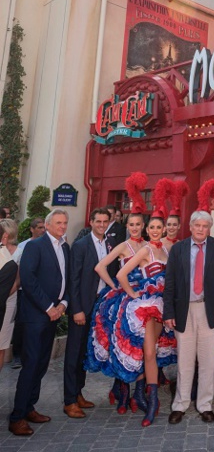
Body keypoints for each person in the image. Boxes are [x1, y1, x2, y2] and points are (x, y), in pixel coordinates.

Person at [86, 173, 149, 414]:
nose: (135, 227)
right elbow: (100, 266)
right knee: (121, 344)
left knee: (142, 347)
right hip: (123, 297)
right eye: (131, 224)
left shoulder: (147, 247)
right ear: (127, 226)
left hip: (144, 299)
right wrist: (114, 286)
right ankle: (122, 392)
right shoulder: (123, 246)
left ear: (143, 226)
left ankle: (139, 393)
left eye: (138, 224)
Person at [164, 210, 214, 424]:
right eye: (197, 225)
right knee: (184, 360)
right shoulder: (178, 249)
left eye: (205, 226)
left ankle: (205, 405)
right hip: (184, 310)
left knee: (208, 360)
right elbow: (170, 283)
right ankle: (180, 404)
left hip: (209, 310)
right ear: (190, 227)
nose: (201, 229)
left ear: (209, 228)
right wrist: (169, 312)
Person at [9, 209, 70, 437]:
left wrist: (63, 304)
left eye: (65, 222)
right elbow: (28, 277)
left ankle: (29, 407)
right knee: (31, 364)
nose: (62, 226)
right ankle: (17, 417)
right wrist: (49, 307)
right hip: (36, 315)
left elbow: (67, 277)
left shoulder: (65, 247)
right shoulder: (35, 246)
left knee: (42, 363)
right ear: (47, 224)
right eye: (58, 223)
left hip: (55, 313)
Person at [115, 214, 176, 427]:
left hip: (165, 305)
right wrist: (134, 295)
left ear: (164, 230)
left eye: (160, 227)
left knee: (153, 352)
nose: (156, 230)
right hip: (148, 305)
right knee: (149, 352)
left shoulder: (167, 250)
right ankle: (152, 402)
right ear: (147, 230)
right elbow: (122, 274)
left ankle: (147, 397)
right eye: (152, 227)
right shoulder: (145, 250)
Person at [63, 208, 114, 419]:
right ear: (91, 222)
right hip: (82, 306)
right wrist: (77, 309)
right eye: (98, 221)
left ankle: (79, 392)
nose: (101, 224)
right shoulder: (81, 245)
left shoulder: (108, 244)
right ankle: (69, 400)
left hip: (99, 305)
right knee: (73, 353)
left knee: (85, 351)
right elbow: (73, 279)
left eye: (105, 221)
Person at [12, 218, 45, 370]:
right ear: (32, 229)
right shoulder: (23, 245)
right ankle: (17, 355)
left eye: (44, 227)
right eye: (39, 227)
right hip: (22, 291)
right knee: (20, 324)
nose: (42, 230)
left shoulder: (48, 245)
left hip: (41, 292)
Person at [0, 221, 20, 368]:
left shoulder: (17, 253)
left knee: (1, 345)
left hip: (7, 301)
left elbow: (16, 282)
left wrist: (5, 295)